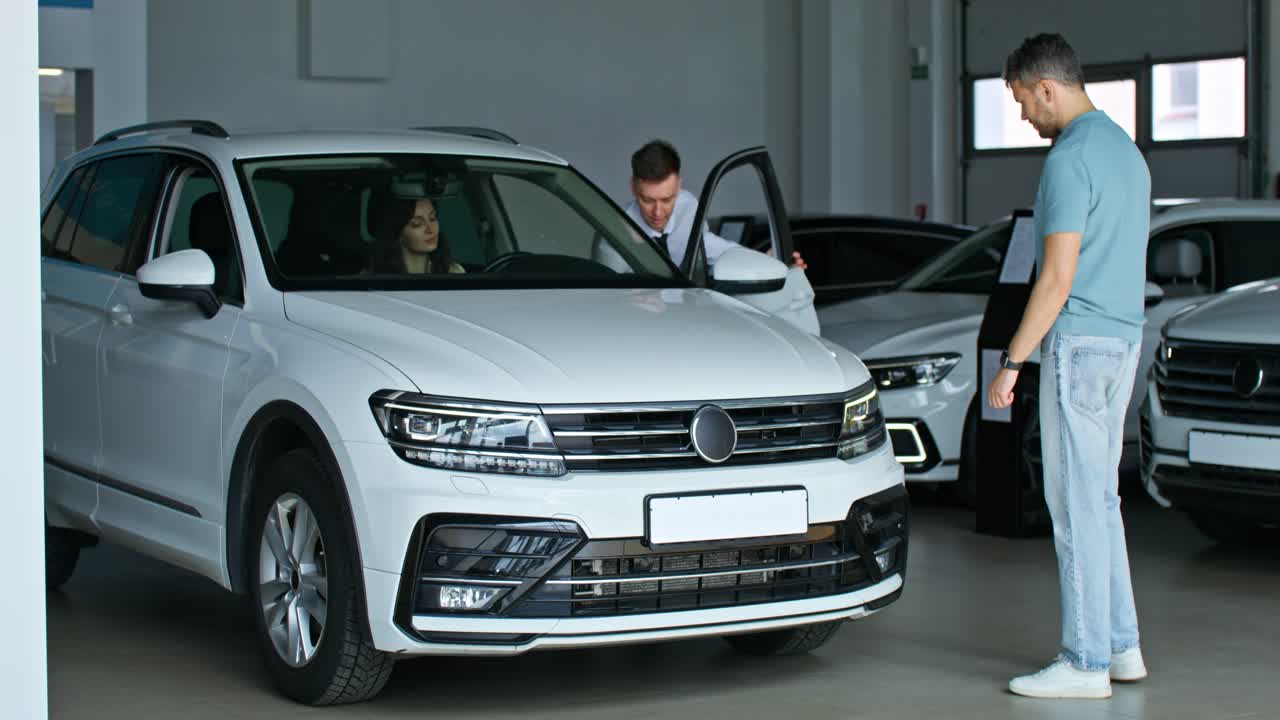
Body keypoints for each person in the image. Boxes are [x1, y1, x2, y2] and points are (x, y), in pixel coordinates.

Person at [987, 34, 1150, 700]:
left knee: (1075, 507)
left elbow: (1055, 279)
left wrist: (1012, 361)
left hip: (1079, 345)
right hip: (1124, 342)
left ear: (1046, 87)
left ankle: (1084, 663)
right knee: (1101, 499)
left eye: (1023, 101)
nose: (1025, 116)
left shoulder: (1069, 158)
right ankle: (1121, 645)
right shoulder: (1127, 154)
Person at [624, 140, 805, 270]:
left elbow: (710, 247)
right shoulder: (619, 228)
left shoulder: (687, 207)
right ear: (633, 187)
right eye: (647, 200)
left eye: (667, 200)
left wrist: (765, 261)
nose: (657, 212)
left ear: (679, 185)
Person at [370, 194, 464, 274]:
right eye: (417, 224)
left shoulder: (454, 272)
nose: (430, 230)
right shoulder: (373, 278)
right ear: (398, 233)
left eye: (433, 218)